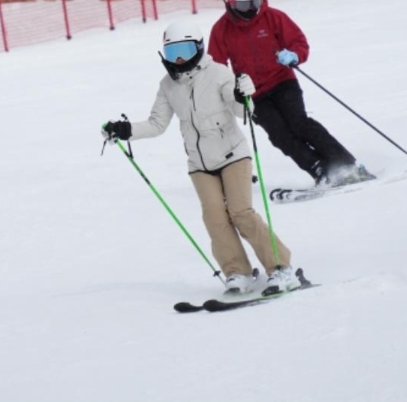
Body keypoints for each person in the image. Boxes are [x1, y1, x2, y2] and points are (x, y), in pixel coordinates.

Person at [101, 19, 299, 295]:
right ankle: (238, 273)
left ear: (198, 48)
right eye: (172, 53)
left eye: (183, 50)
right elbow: (157, 124)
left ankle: (280, 267)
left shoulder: (219, 74)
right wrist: (126, 130)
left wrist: (245, 96)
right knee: (214, 218)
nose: (179, 59)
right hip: (199, 164)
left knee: (241, 213)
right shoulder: (168, 86)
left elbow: (243, 114)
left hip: (233, 156)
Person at [208, 0, 373, 187]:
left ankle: (344, 163)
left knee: (300, 124)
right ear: (232, 2)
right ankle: (318, 169)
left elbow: (299, 42)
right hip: (254, 94)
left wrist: (294, 55)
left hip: (282, 81)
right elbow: (215, 67)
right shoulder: (222, 30)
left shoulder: (274, 18)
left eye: (255, 3)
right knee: (280, 135)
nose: (250, 10)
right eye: (243, 5)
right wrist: (231, 89)